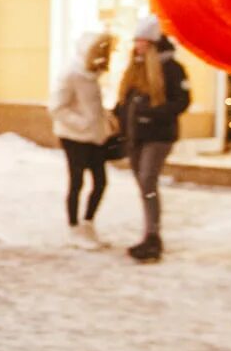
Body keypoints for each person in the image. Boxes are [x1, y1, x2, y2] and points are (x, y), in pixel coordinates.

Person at [114, 16, 191, 264]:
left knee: (148, 179)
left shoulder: (172, 69)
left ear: (153, 42)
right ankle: (150, 231)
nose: (137, 46)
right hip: (136, 135)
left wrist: (151, 115)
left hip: (158, 136)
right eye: (136, 41)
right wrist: (119, 119)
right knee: (144, 184)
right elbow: (125, 100)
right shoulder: (135, 67)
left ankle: (153, 237)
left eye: (142, 41)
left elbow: (181, 101)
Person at [50, 32, 117, 248]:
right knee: (77, 182)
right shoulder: (71, 74)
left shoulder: (92, 76)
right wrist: (83, 123)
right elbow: (57, 107)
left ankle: (87, 223)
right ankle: (74, 227)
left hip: (94, 137)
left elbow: (91, 106)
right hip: (74, 137)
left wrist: (104, 120)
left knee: (100, 182)